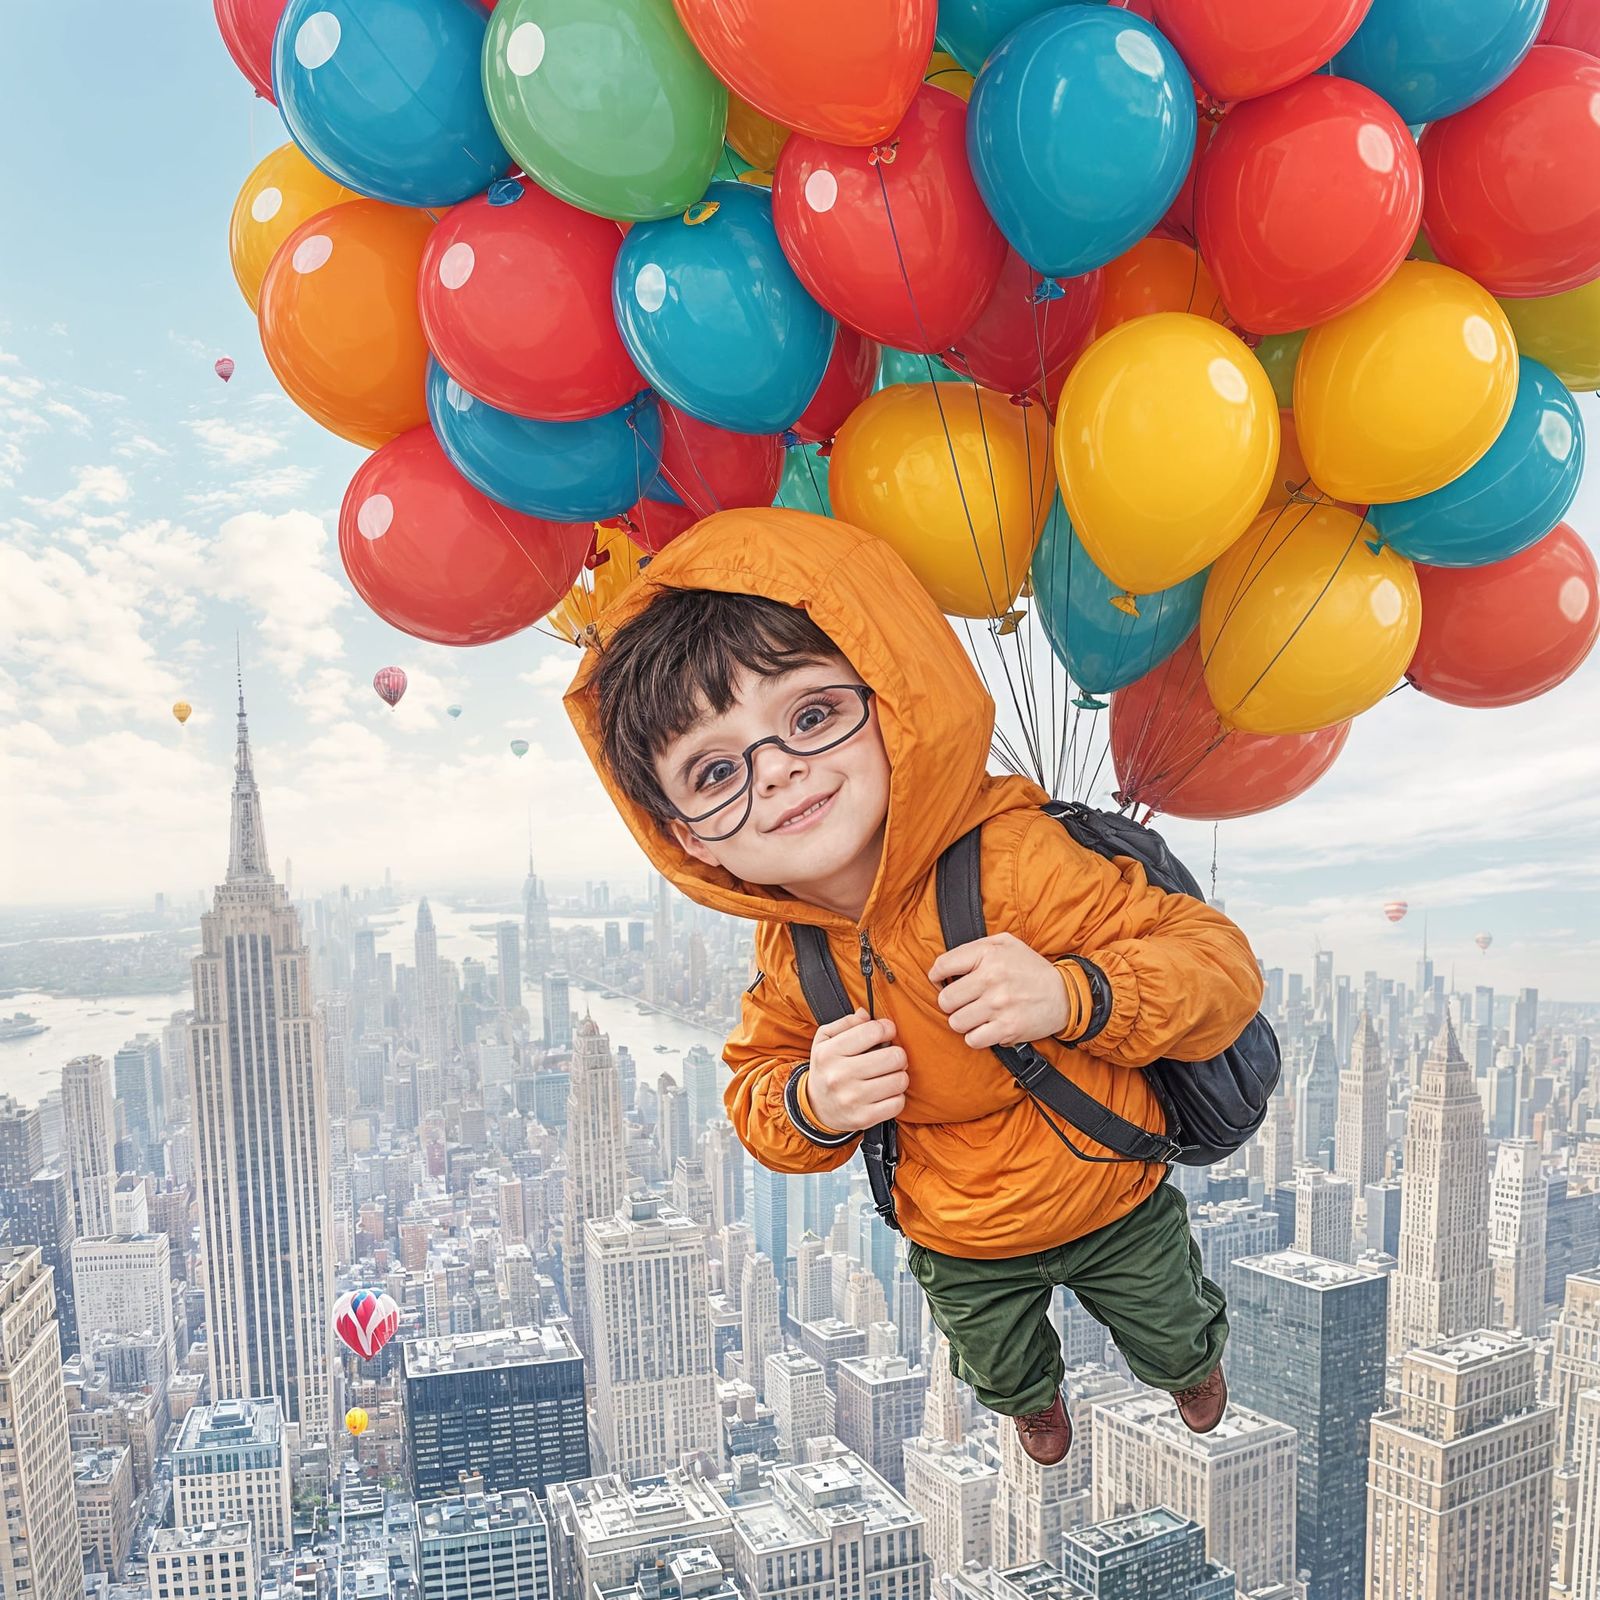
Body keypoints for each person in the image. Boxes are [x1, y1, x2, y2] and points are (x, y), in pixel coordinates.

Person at [565, 508, 1264, 1464]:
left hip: (1112, 1192)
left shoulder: (1016, 860)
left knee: (1172, 1322)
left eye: (811, 716)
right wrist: (813, 1100)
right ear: (685, 833)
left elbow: (1220, 971)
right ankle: (1033, 1405)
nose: (777, 776)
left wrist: (1075, 994)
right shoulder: (791, 952)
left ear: (890, 698)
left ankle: (1192, 1371)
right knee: (999, 1365)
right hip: (960, 1239)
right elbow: (753, 1092)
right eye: (716, 770)